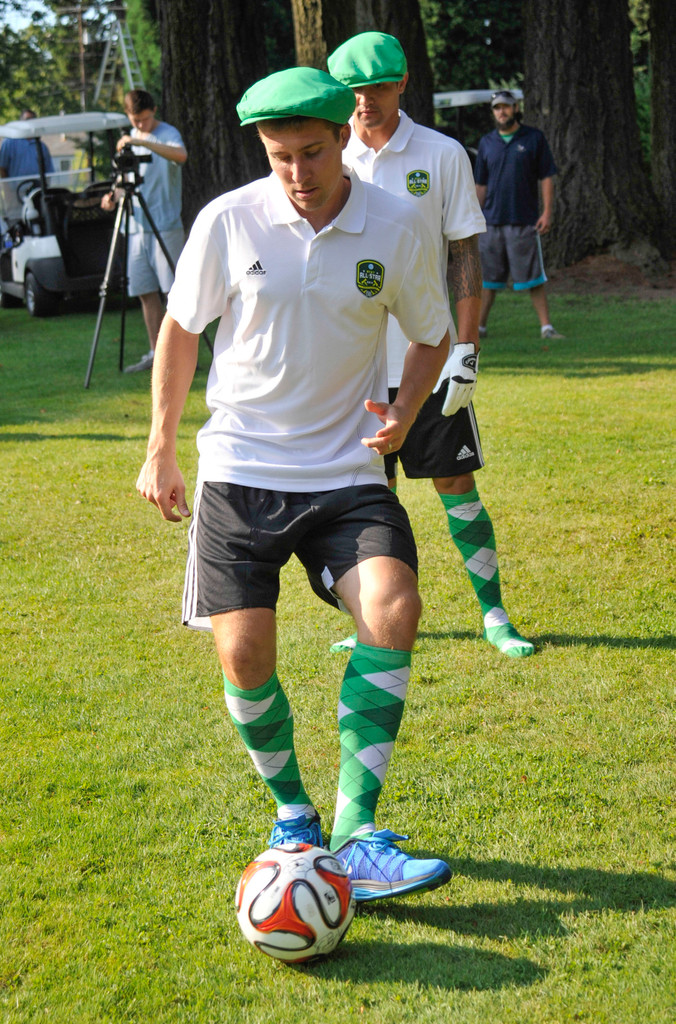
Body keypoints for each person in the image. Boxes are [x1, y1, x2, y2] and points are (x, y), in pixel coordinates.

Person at [135, 66, 463, 902]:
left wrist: (403, 411)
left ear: (341, 141)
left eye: (313, 153)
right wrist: (160, 448)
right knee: (243, 656)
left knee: (393, 608)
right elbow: (180, 330)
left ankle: (355, 834)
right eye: (280, 156)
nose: (298, 174)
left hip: (346, 472)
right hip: (239, 473)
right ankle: (294, 818)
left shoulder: (393, 224)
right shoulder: (228, 219)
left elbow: (431, 332)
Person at [327, 32, 534, 658]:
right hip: (354, 369)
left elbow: (463, 255)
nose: (364, 101)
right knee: (367, 500)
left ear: (402, 83)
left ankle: (494, 614)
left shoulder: (442, 154)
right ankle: (368, 616)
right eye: (352, 91)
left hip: (430, 356)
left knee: (456, 488)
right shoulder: (326, 157)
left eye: (376, 87)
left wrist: (466, 352)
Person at [102, 89, 187, 373]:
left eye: (145, 119)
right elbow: (125, 178)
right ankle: (156, 353)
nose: (140, 125)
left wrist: (144, 142)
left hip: (165, 225)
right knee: (144, 291)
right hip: (135, 225)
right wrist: (113, 195)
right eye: (135, 120)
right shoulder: (131, 137)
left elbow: (181, 156)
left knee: (174, 294)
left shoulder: (166, 133)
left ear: (154, 111)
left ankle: (180, 356)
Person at [474, 89, 563, 340]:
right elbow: (480, 184)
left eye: (506, 106)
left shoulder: (534, 138)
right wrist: (473, 217)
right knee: (488, 281)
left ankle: (546, 328)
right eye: (497, 108)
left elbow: (546, 176)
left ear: (515, 108)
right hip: (490, 223)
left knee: (533, 278)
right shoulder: (487, 142)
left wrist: (547, 212)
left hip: (524, 221)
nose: (501, 112)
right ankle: (478, 330)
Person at [0, 108, 54, 180]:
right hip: (16, 189)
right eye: (27, 119)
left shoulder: (41, 146)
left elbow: (48, 171)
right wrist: (8, 190)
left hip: (37, 188)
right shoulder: (9, 143)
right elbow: (2, 168)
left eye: (33, 119)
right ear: (21, 122)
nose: (30, 122)